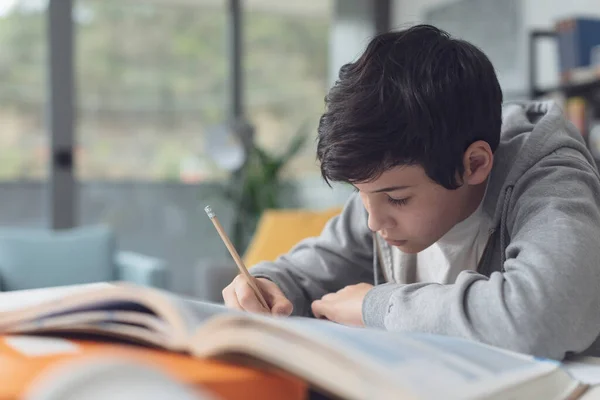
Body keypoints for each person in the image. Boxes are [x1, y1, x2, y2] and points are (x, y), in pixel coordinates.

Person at [222, 24, 600, 360]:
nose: (372, 222)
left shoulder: (550, 181)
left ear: (474, 165)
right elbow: (307, 270)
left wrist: (376, 306)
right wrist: (268, 284)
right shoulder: (383, 189)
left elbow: (539, 319)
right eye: (359, 193)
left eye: (398, 198)